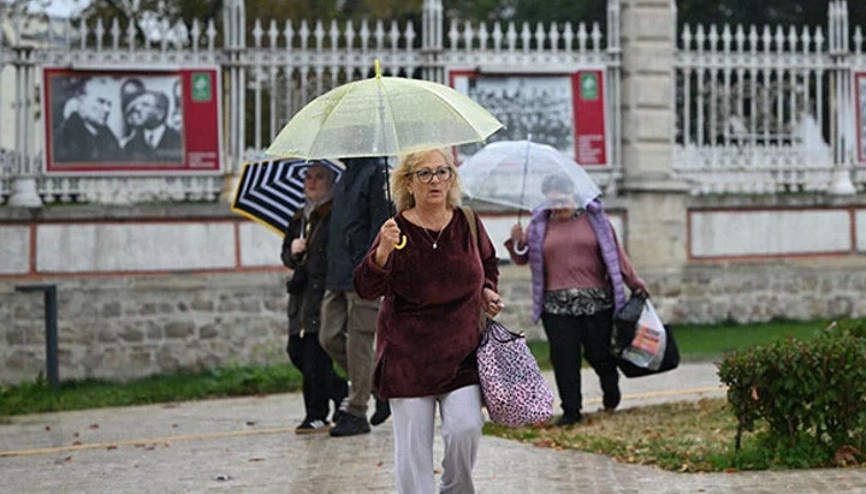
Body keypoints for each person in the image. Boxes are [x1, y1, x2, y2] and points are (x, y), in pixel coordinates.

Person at [353, 149, 503, 494]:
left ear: (451, 178)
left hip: (462, 353)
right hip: (408, 357)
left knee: (466, 428)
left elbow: (488, 264)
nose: (434, 180)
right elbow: (365, 288)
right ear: (408, 182)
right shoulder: (395, 229)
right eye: (424, 173)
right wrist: (382, 252)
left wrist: (487, 291)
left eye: (442, 172)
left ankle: (454, 489)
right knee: (413, 451)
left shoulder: (467, 221)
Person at [505, 172, 648, 426]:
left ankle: (610, 389)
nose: (558, 205)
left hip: (597, 304)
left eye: (562, 199)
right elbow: (523, 257)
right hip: (555, 307)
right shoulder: (539, 224)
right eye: (552, 201)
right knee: (564, 358)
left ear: (573, 195)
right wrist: (516, 241)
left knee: (598, 354)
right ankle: (571, 411)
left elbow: (617, 256)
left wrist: (636, 283)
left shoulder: (596, 220)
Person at [319, 156, 393, 437]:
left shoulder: (376, 174)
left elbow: (380, 228)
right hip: (336, 273)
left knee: (359, 342)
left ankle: (356, 410)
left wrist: (371, 267)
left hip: (363, 274)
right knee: (328, 336)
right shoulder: (344, 176)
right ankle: (378, 388)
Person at [281, 164, 348, 434]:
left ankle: (316, 414)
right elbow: (286, 256)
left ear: (330, 182)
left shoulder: (334, 215)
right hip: (300, 298)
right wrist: (293, 251)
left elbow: (335, 254)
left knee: (315, 357)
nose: (312, 182)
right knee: (296, 351)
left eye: (319, 177)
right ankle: (340, 390)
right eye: (308, 177)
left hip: (322, 295)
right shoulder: (299, 218)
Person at [53, 77, 121, 162]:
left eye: (109, 104)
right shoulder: (65, 139)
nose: (107, 109)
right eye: (101, 101)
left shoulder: (110, 139)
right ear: (81, 101)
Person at [120, 81, 182, 162]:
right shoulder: (130, 146)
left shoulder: (179, 141)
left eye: (145, 105)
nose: (138, 108)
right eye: (138, 104)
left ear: (160, 114)